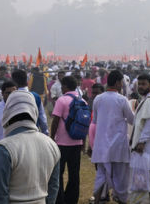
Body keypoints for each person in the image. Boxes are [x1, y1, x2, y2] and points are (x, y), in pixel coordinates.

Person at [0, 90, 60, 204]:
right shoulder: (51, 145)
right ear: (34, 111)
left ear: (7, 112)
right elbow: (53, 188)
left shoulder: (4, 147)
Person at [91, 70, 134, 204]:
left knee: (101, 177)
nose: (122, 84)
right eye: (121, 82)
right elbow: (133, 120)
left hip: (101, 145)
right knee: (121, 179)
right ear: (117, 82)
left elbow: (96, 120)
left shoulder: (98, 99)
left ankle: (97, 201)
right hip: (118, 146)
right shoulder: (122, 100)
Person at [129, 73, 150, 204]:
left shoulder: (149, 100)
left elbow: (149, 123)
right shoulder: (146, 99)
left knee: (143, 186)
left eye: (144, 84)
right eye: (140, 84)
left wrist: (141, 142)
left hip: (146, 150)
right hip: (149, 151)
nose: (141, 87)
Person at [51, 76, 85, 204]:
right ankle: (72, 199)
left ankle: (59, 199)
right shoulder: (83, 101)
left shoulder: (62, 100)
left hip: (62, 143)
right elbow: (84, 124)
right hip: (77, 142)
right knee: (74, 174)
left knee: (58, 173)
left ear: (65, 86)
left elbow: (55, 121)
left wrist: (52, 138)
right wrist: (83, 142)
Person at [12, 69, 49, 135]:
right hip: (34, 132)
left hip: (16, 134)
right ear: (26, 80)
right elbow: (42, 118)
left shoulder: (12, 97)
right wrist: (45, 132)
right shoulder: (36, 96)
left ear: (14, 82)